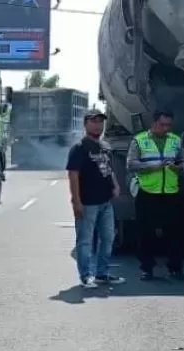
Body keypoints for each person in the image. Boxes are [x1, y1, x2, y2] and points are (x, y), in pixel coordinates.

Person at [126, 110, 184, 280]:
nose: (166, 128)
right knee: (145, 233)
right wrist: (154, 166)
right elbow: (131, 164)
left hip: (171, 192)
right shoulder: (140, 140)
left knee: (176, 233)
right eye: (162, 125)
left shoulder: (175, 140)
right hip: (147, 192)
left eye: (169, 125)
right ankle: (147, 268)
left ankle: (175, 267)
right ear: (154, 123)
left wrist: (180, 168)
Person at [66, 108, 125, 288]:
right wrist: (76, 201)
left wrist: (115, 185)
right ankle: (86, 276)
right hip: (87, 203)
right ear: (85, 124)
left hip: (105, 202)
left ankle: (102, 273)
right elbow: (73, 175)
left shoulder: (105, 146)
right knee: (85, 241)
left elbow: (108, 169)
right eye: (93, 121)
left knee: (107, 238)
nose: (98, 125)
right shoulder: (79, 148)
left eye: (100, 121)